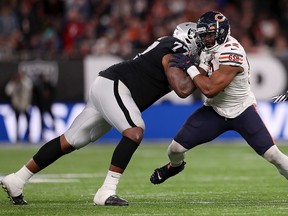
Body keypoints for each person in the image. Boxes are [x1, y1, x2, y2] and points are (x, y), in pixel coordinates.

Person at [1, 22, 201, 206]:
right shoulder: (176, 46)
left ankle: (17, 179)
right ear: (190, 39)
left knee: (69, 141)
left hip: (110, 86)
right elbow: (182, 90)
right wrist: (200, 70)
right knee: (135, 131)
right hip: (116, 86)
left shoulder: (169, 46)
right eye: (200, 42)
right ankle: (106, 191)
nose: (202, 47)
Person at [150, 11, 288, 187]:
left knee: (273, 155)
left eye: (209, 34)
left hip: (241, 110)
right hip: (214, 110)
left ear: (221, 32)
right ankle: (175, 167)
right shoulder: (207, 49)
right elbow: (195, 80)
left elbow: (210, 89)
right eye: (203, 35)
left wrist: (190, 67)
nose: (206, 39)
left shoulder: (232, 52)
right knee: (174, 150)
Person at [5, 71, 33, 142]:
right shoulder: (13, 83)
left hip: (25, 105)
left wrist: (22, 80)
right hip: (17, 105)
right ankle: (17, 137)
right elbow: (8, 92)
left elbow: (30, 87)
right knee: (17, 122)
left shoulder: (25, 81)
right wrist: (14, 83)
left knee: (28, 121)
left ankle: (29, 136)